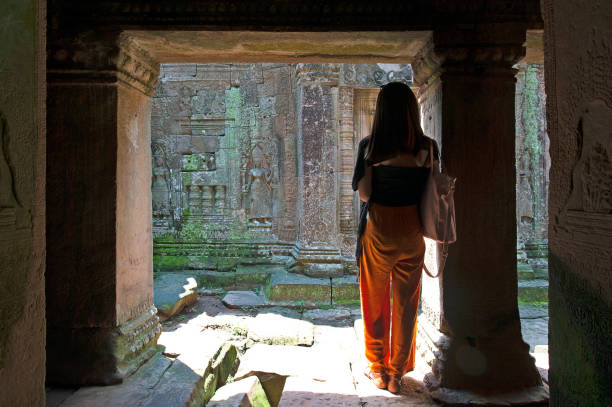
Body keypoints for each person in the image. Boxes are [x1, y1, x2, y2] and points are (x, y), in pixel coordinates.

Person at [351, 82, 438, 394]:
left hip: (380, 230)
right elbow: (433, 191)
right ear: (413, 110)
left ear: (381, 111)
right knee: (406, 302)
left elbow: (365, 194)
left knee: (375, 299)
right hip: (413, 231)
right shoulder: (428, 147)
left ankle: (377, 367)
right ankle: (396, 372)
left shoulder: (370, 147)